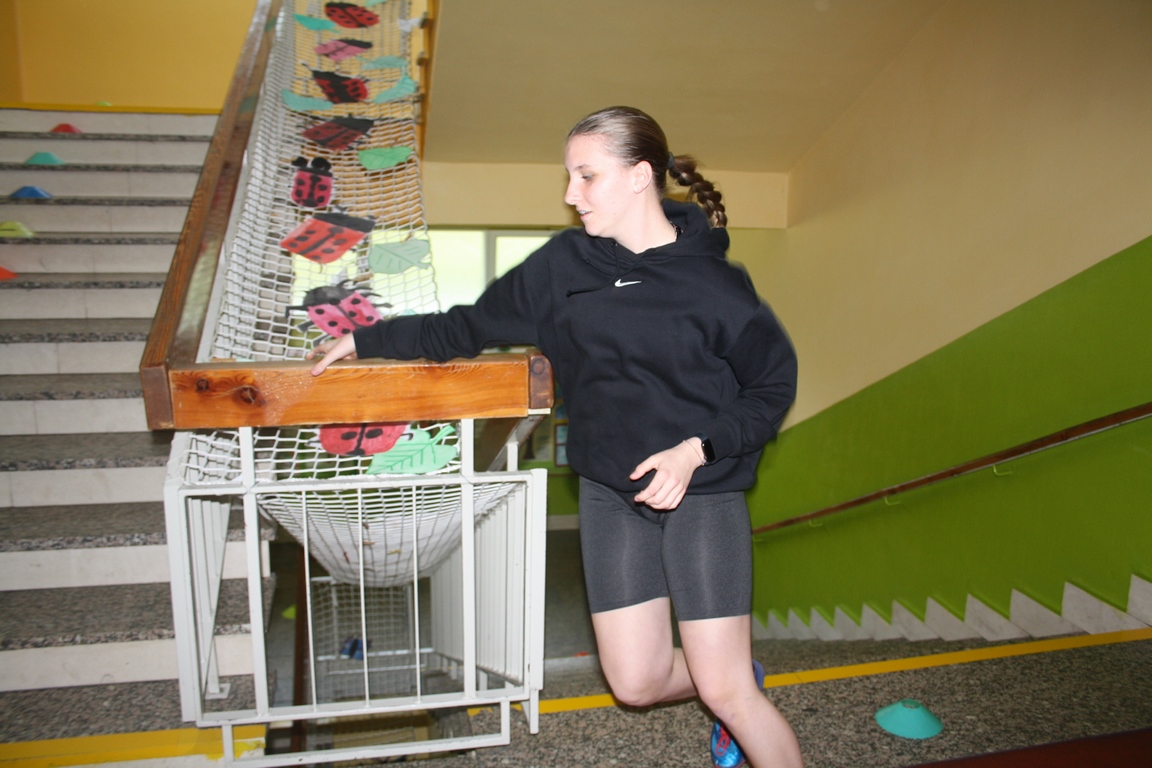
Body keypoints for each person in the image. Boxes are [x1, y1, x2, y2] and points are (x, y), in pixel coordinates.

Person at [308, 106, 803, 768]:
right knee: (636, 684)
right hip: (609, 494)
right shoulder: (562, 266)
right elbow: (465, 326)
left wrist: (695, 451)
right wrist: (367, 339)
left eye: (586, 176)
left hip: (702, 490)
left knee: (728, 692)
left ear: (640, 176)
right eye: (570, 175)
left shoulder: (716, 287)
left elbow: (771, 387)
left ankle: (732, 689)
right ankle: (734, 677)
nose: (571, 194)